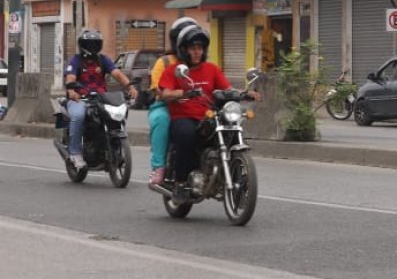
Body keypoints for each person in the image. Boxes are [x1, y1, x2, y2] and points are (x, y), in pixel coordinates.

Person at [158, 24, 257, 201]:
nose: (197, 52)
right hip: (184, 117)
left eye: (200, 48)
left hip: (209, 116)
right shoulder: (175, 70)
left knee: (232, 133)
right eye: (192, 48)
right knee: (187, 135)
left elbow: (226, 88)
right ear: (183, 50)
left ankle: (234, 178)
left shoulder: (212, 69)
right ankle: (180, 182)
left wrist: (244, 93)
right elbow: (164, 93)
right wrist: (183, 92)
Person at [63, 29, 137, 168]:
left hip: (101, 98)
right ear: (82, 44)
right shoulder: (76, 60)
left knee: (115, 115)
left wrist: (130, 87)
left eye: (95, 43)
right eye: (89, 44)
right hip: (80, 99)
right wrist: (71, 91)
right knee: (78, 116)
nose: (92, 47)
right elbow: (70, 77)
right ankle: (75, 153)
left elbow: (117, 73)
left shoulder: (103, 60)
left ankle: (109, 147)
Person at [145, 16, 197, 187]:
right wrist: (175, 94)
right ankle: (159, 167)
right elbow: (157, 90)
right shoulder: (165, 62)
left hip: (194, 106)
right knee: (162, 120)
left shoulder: (200, 61)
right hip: (165, 106)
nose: (194, 48)